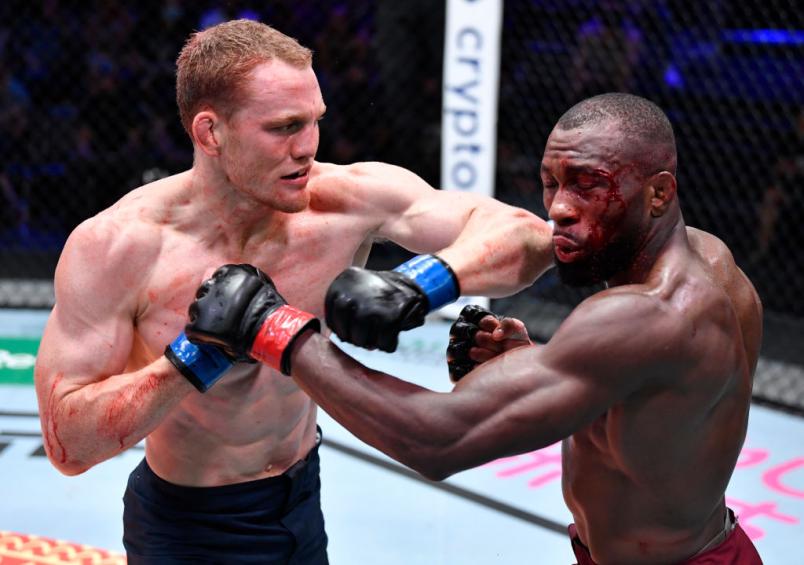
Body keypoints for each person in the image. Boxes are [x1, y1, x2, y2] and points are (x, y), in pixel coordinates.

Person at [33, 18, 553, 564]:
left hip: (301, 500)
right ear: (211, 132)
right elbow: (69, 445)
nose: (307, 148)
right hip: (187, 527)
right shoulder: (120, 248)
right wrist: (193, 356)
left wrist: (421, 281)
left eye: (314, 122)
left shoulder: (344, 202)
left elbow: (530, 236)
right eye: (283, 127)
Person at [185, 93, 764, 564]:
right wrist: (531, 363)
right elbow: (653, 414)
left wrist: (276, 329)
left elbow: (436, 440)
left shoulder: (648, 315)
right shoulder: (709, 264)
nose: (559, 208)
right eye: (550, 182)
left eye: (587, 183)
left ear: (660, 192)